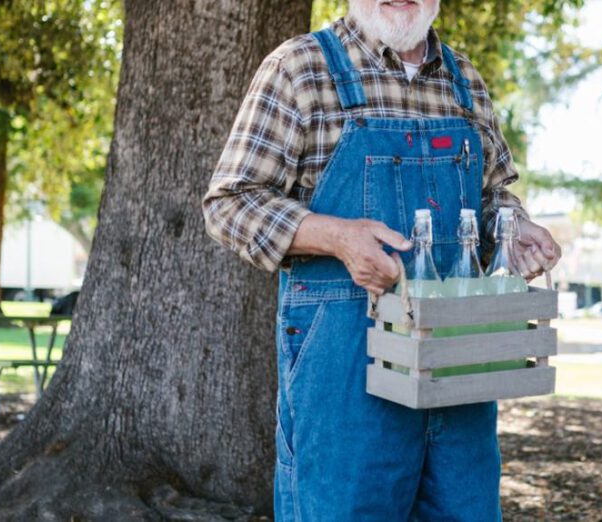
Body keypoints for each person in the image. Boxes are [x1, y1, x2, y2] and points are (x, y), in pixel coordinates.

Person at [203, 1, 561, 519]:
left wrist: (514, 230)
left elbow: (492, 198)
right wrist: (338, 237)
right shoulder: (301, 68)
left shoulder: (464, 82)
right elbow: (230, 202)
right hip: (345, 362)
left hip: (456, 361)